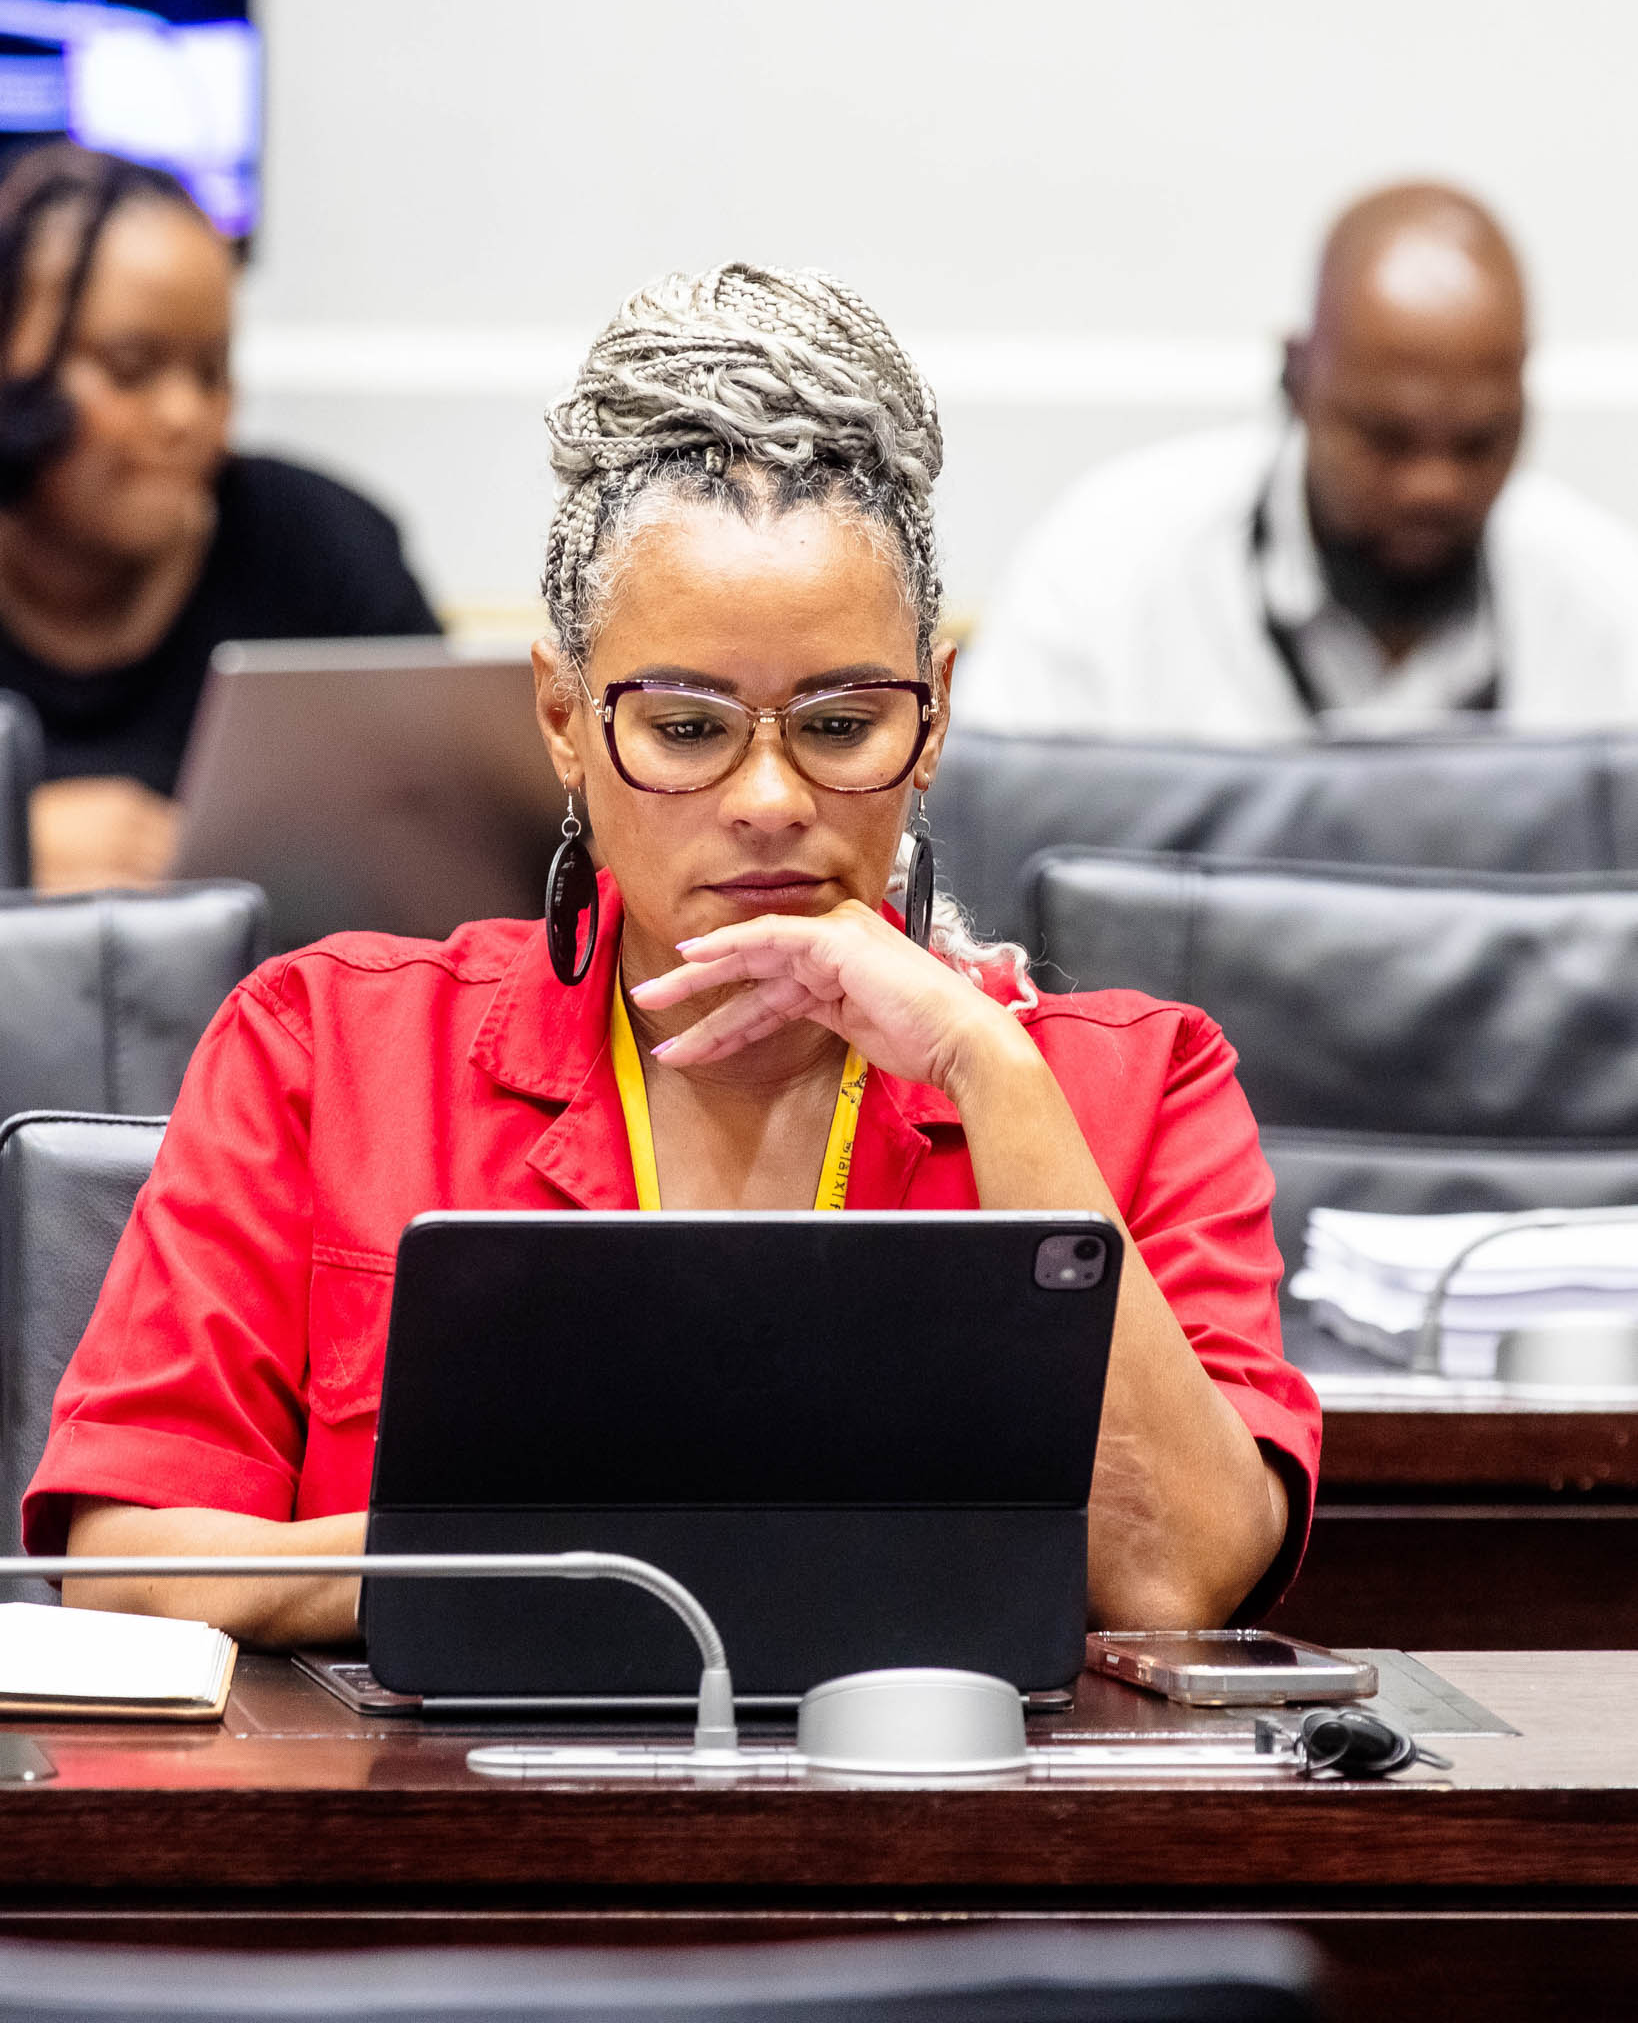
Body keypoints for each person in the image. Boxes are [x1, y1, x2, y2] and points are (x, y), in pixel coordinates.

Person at [23, 264, 1320, 1645]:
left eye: (840, 727)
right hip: (439, 1782)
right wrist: (589, 1553)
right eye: (688, 729)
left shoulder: (1140, 1086)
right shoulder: (324, 1050)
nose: (767, 800)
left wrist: (985, 1068)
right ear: (564, 720)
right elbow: (130, 1564)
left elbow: (1180, 1580)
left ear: (932, 722)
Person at [958, 182, 1638, 741]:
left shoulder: (1609, 604)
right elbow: (986, 838)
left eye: (1479, 441)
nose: (1432, 486)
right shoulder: (1105, 570)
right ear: (1295, 380)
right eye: (1386, 438)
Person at [0, 145, 439, 892]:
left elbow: (452, 824)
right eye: (129, 368)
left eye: (212, 372)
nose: (185, 414)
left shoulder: (322, 550)